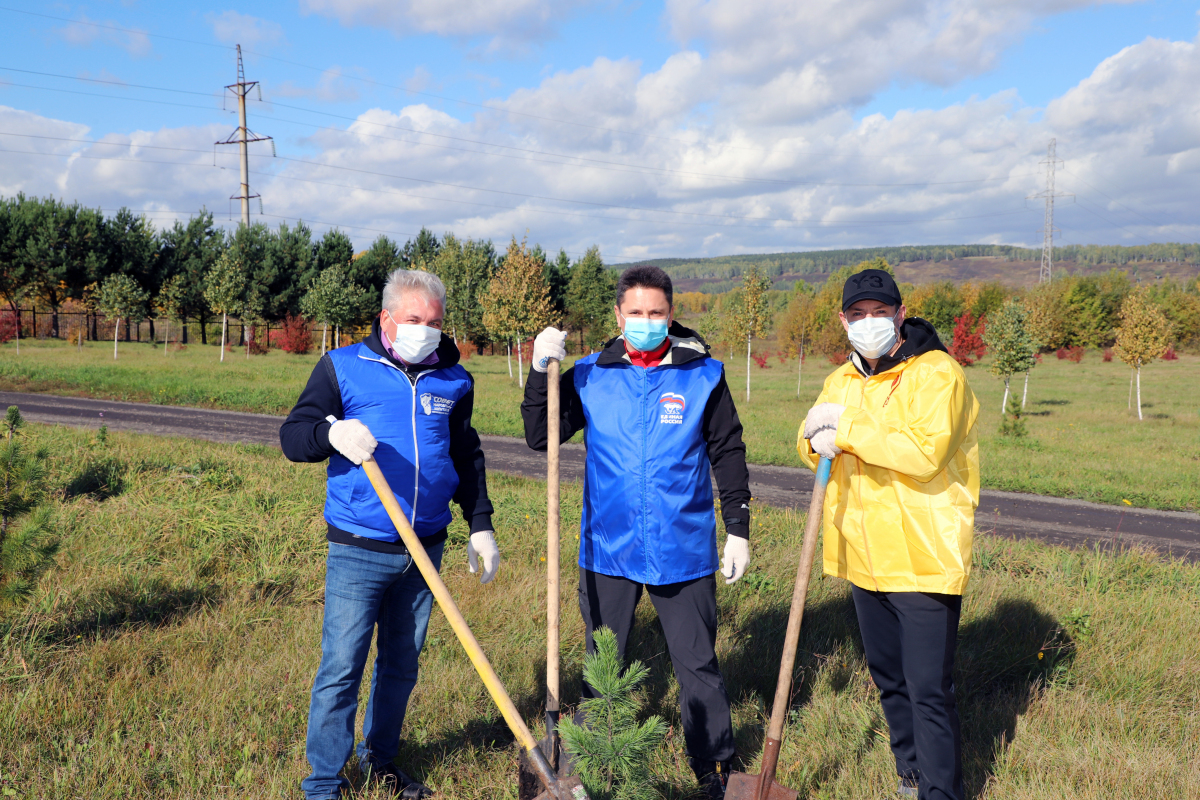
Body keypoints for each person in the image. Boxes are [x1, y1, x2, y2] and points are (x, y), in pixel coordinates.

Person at [522, 265, 752, 799]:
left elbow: (728, 451)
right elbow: (541, 435)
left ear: (670, 315)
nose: (646, 322)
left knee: (697, 664)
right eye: (636, 313)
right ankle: (589, 764)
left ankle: (715, 768)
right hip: (608, 546)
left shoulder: (703, 376)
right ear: (619, 316)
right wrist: (539, 373)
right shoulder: (589, 374)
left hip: (683, 546)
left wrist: (737, 528)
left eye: (656, 313)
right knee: (604, 662)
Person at [280, 269, 500, 800]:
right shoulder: (343, 368)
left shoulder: (453, 378)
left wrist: (480, 522)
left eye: (435, 322)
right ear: (386, 318)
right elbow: (293, 436)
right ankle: (324, 785)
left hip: (426, 548)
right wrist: (331, 432)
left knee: (401, 666)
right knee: (342, 668)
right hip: (360, 546)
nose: (425, 331)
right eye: (414, 320)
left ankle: (379, 762)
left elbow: (465, 455)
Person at [797, 268, 980, 800]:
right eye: (858, 315)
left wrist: (845, 429)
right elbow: (810, 439)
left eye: (880, 313)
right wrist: (816, 443)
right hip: (863, 556)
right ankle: (911, 774)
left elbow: (923, 453)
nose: (869, 323)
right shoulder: (841, 381)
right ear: (843, 321)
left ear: (901, 314)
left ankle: (941, 792)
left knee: (929, 690)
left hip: (924, 557)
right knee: (890, 681)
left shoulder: (936, 374)